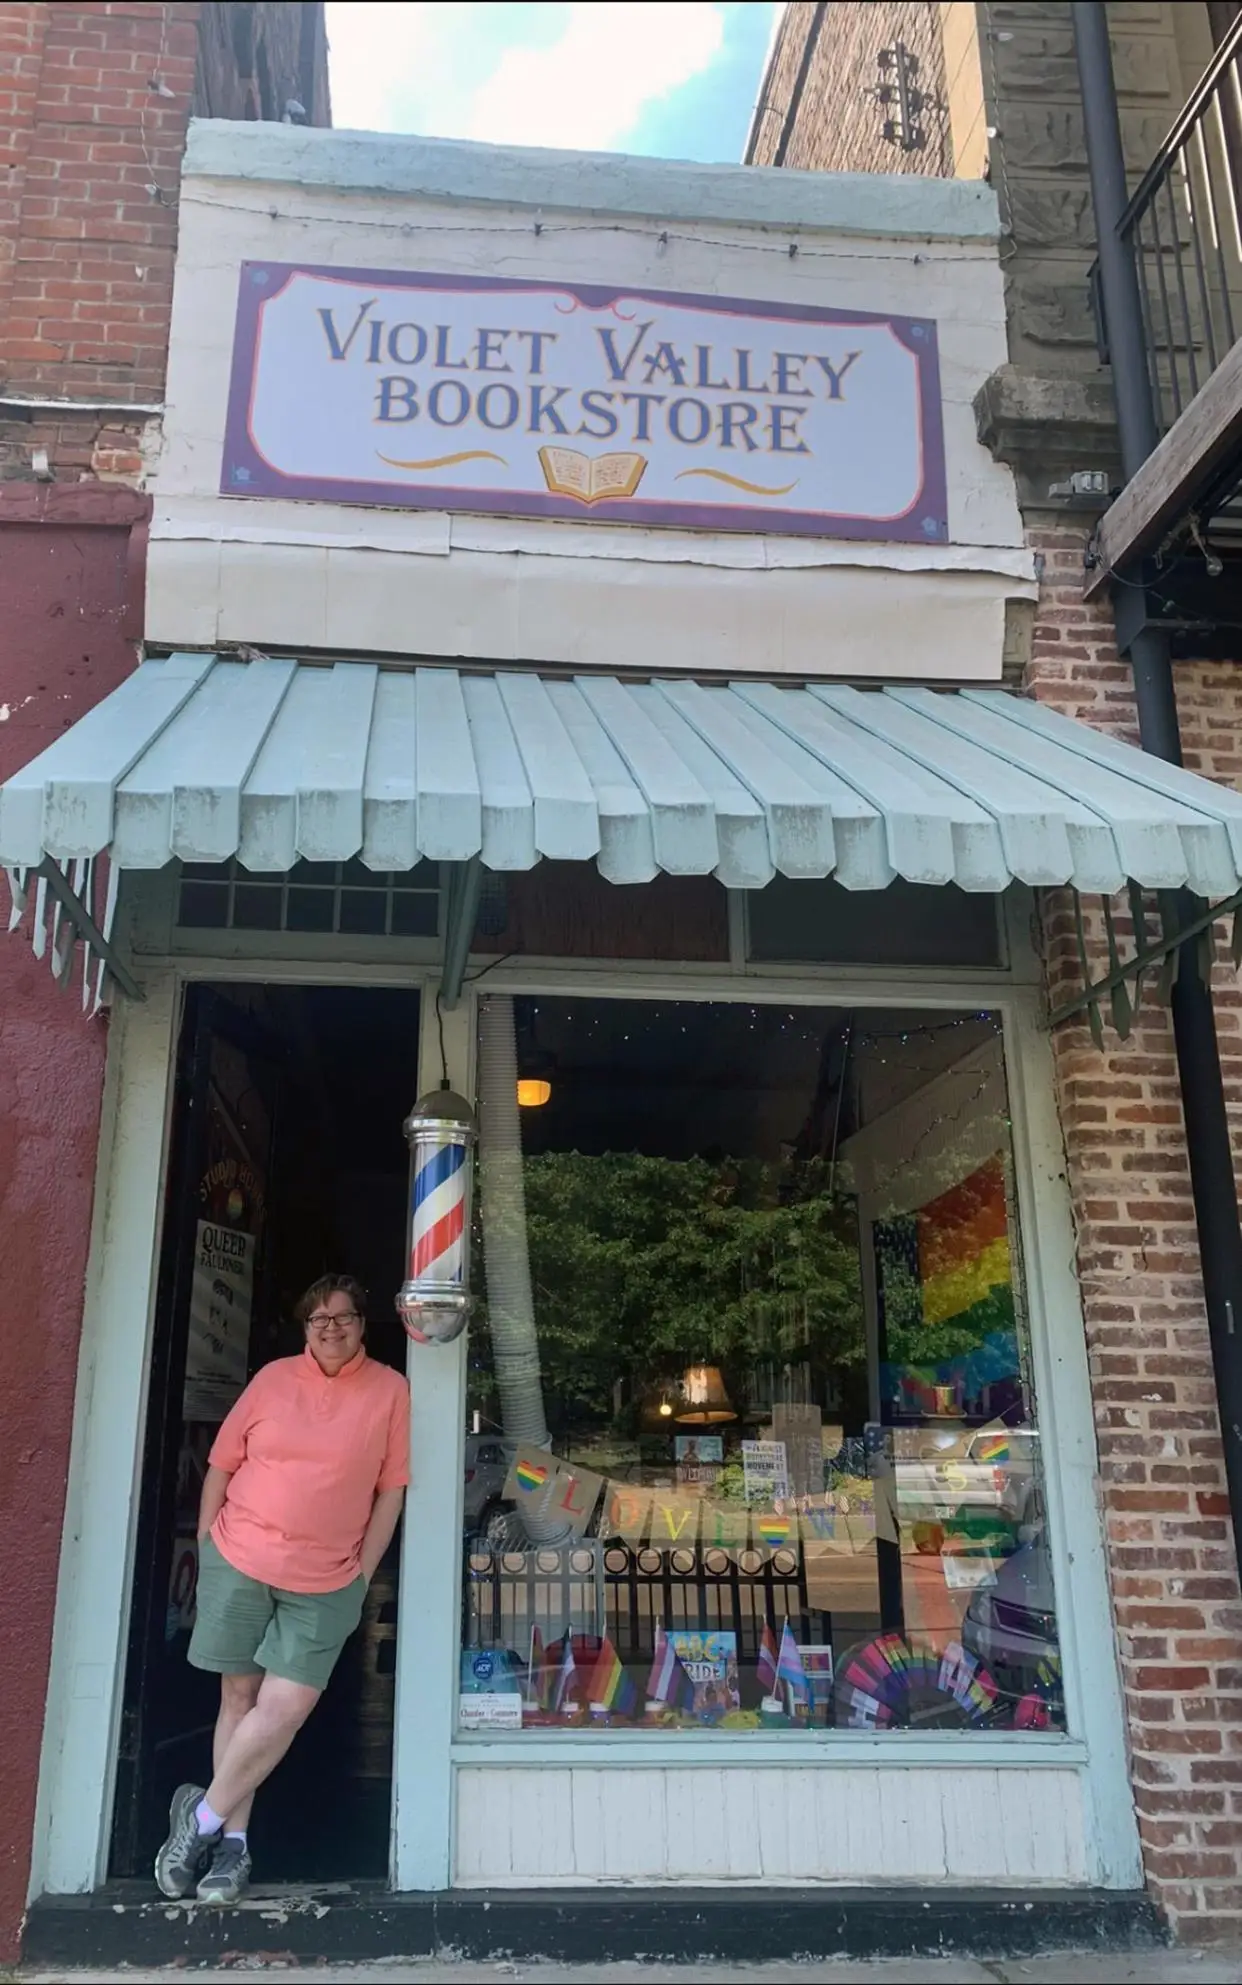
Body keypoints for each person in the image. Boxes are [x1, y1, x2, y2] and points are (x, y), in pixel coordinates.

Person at [155, 1274, 410, 1904]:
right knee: (238, 1699)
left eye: (343, 1318)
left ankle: (200, 1817)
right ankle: (231, 1849)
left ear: (362, 1324)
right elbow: (222, 1461)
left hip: (327, 1580)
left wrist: (361, 1572)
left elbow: (392, 1489)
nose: (330, 1329)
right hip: (242, 1558)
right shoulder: (272, 1379)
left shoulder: (390, 1390)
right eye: (317, 1319)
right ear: (304, 1328)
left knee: (286, 1708)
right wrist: (212, 1538)